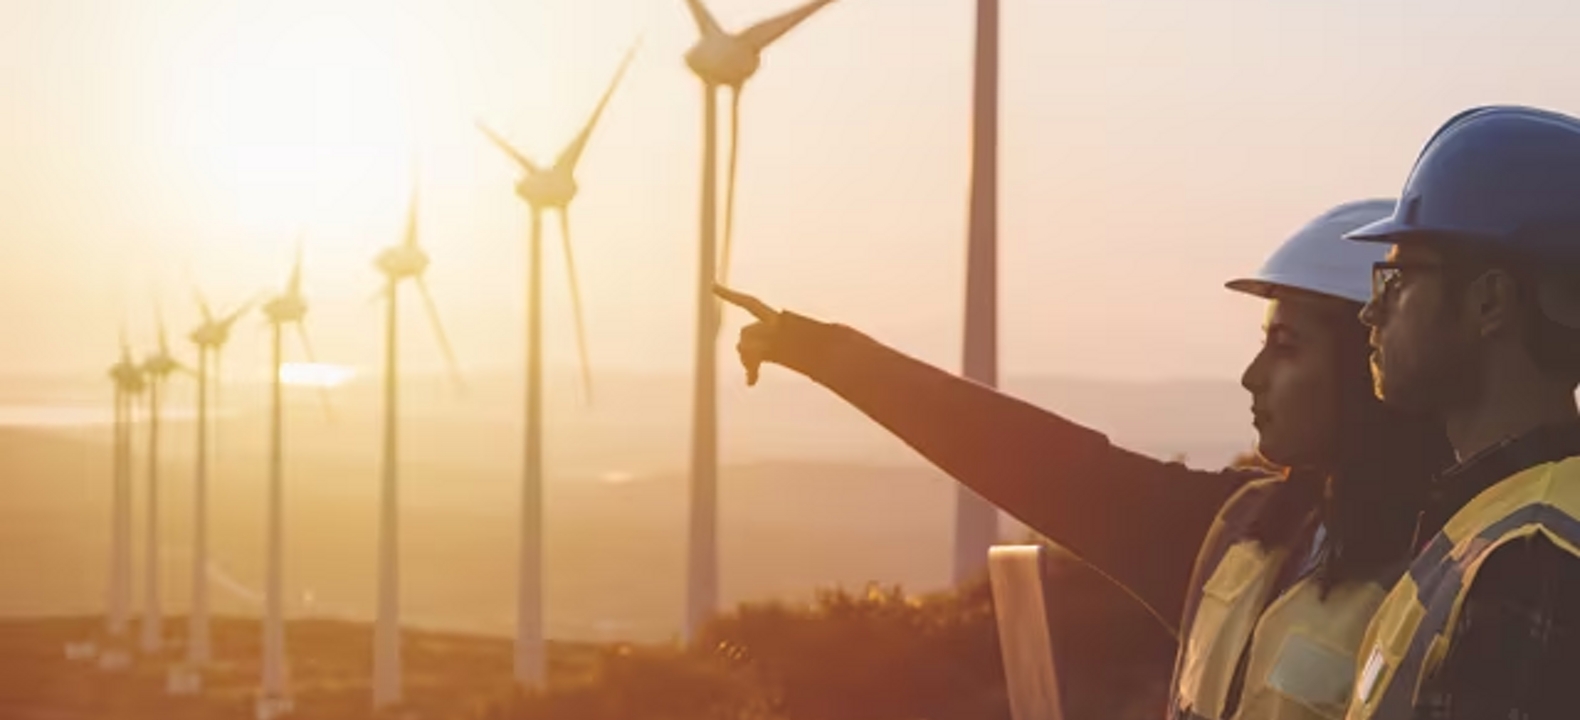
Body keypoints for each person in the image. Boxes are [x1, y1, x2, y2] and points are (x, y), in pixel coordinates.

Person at [715, 198, 1456, 720]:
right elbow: (1035, 459)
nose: (1252, 376)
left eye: (1287, 347)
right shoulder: (1239, 533)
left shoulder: (1462, 580)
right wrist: (824, 353)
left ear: (1372, 360)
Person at [1337, 106, 1580, 720]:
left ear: (1489, 303)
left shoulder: (1531, 557)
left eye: (1396, 279)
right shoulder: (1496, 522)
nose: (1370, 312)